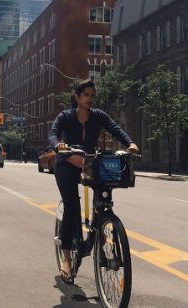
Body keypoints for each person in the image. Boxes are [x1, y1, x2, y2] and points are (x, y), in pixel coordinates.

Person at [48, 79, 139, 284]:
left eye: (92, 95)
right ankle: (66, 257)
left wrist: (130, 143)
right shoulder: (65, 116)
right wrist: (58, 146)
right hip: (66, 163)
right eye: (86, 95)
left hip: (89, 163)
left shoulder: (98, 115)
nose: (89, 99)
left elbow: (115, 129)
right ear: (77, 97)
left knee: (104, 196)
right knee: (72, 206)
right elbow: (52, 134)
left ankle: (101, 222)